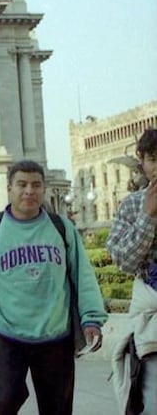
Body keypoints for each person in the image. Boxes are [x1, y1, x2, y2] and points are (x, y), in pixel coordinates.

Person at [0, 160, 107, 413]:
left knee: (57, 408)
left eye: (36, 185)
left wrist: (91, 318)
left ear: (44, 189)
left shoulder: (61, 228)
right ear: (9, 188)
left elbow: (83, 277)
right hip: (7, 334)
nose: (29, 191)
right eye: (22, 184)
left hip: (55, 334)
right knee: (4, 400)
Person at [106, 127, 157, 414]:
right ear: (143, 162)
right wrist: (148, 217)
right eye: (152, 159)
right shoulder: (132, 204)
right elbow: (124, 259)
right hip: (151, 318)